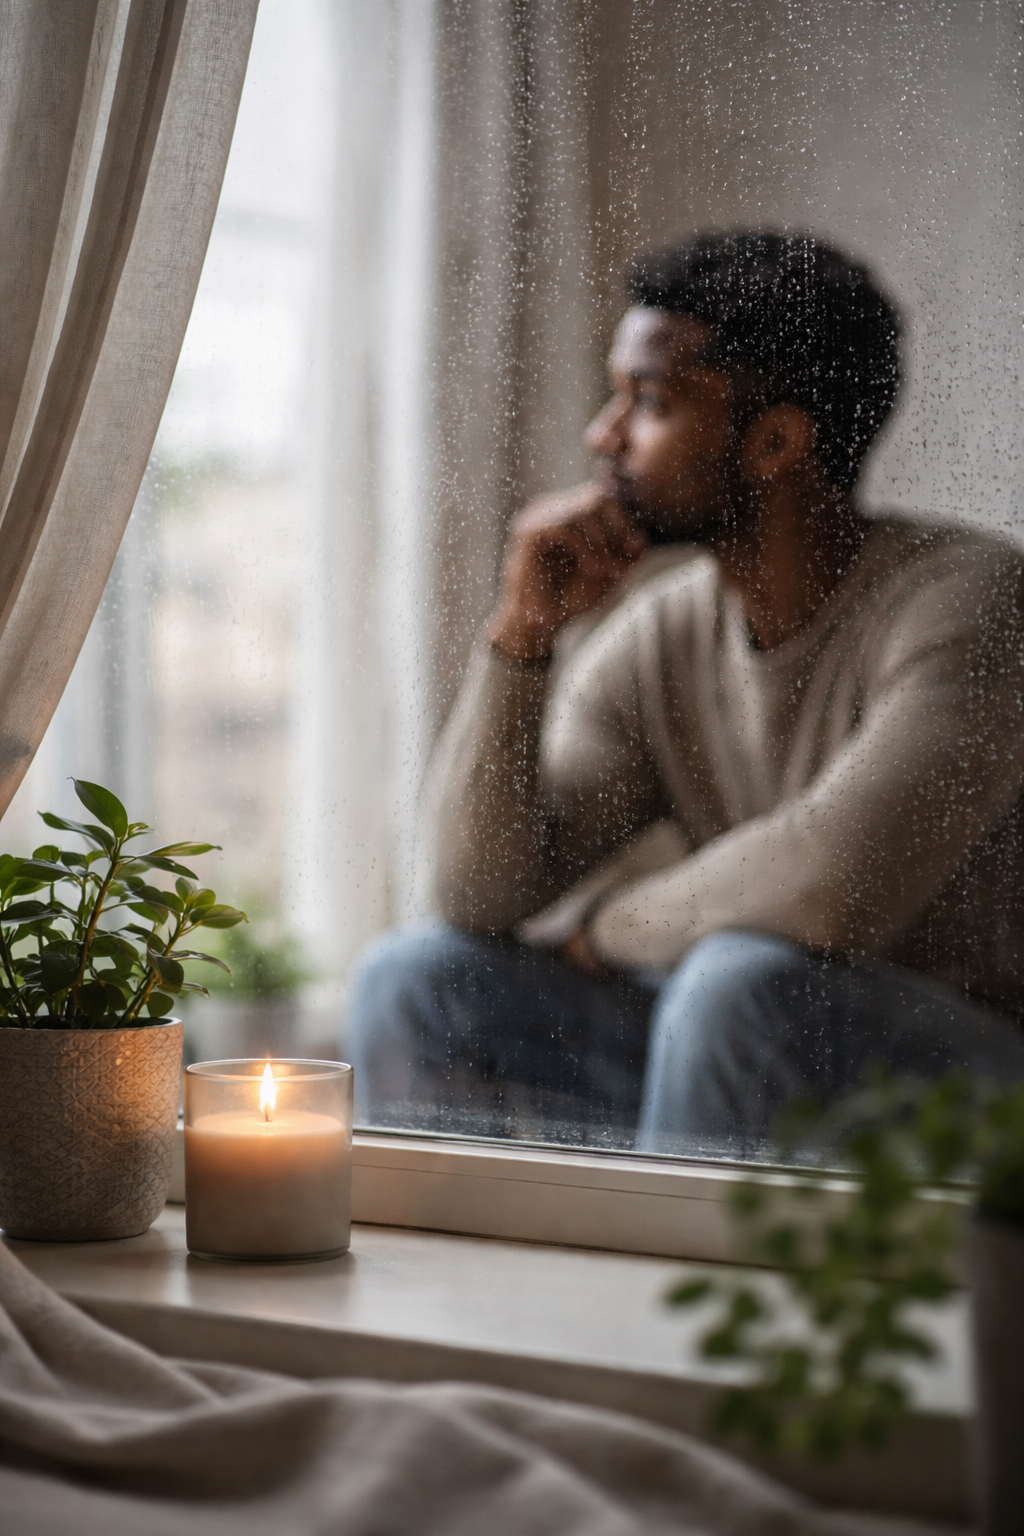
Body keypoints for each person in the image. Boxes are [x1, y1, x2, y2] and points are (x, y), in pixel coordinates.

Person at [347, 231, 1024, 1157]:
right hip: (745, 1045)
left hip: (976, 1085)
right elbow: (476, 896)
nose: (602, 436)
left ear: (777, 440)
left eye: (650, 403)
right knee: (415, 976)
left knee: (733, 988)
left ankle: (664, 1299)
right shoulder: (666, 630)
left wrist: (609, 931)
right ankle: (417, 1303)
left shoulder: (975, 603)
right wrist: (522, 638)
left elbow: (831, 889)